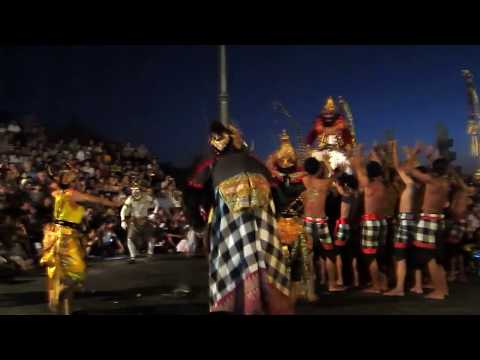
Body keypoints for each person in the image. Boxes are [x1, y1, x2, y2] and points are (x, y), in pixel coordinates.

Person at [185, 121, 292, 314]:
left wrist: (199, 225)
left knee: (231, 266)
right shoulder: (257, 163)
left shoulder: (211, 164)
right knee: (267, 266)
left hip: (229, 229)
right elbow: (280, 196)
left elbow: (191, 195)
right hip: (264, 228)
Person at [40, 164, 119, 315]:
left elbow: (56, 184)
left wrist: (56, 175)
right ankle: (56, 297)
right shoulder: (71, 193)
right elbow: (97, 200)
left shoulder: (58, 193)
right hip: (65, 236)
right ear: (70, 181)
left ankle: (66, 309)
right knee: (78, 272)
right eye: (74, 179)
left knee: (63, 274)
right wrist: (115, 204)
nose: (77, 181)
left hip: (56, 234)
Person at [405, 158, 451, 300]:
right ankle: (443, 289)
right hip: (438, 220)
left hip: (428, 221)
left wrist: (413, 154)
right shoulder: (446, 183)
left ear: (433, 169)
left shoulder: (431, 180)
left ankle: (438, 291)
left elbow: (409, 170)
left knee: (429, 256)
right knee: (437, 258)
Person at [350, 145, 389, 294]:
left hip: (371, 221)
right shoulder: (383, 184)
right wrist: (373, 155)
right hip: (382, 221)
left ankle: (376, 285)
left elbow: (358, 168)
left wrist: (357, 154)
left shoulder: (368, 184)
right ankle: (384, 283)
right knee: (381, 253)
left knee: (370, 254)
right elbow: (377, 168)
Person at [302, 157, 344, 292]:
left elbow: (305, 172)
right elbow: (335, 174)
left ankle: (310, 286)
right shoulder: (325, 183)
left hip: (307, 221)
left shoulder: (305, 180)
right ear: (319, 169)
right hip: (321, 222)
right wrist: (326, 162)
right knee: (329, 254)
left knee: (308, 253)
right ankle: (331, 284)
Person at [384, 140, 420, 296]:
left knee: (400, 256)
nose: (402, 171)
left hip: (404, 221)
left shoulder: (410, 183)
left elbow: (398, 167)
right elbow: (404, 167)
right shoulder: (415, 186)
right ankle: (417, 285)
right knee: (412, 255)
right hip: (411, 220)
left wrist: (393, 149)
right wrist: (412, 154)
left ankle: (399, 288)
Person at [120, 180, 155, 263]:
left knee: (150, 238)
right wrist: (123, 220)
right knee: (129, 239)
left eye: (136, 189)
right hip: (134, 220)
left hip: (145, 219)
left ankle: (150, 254)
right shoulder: (130, 199)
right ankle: (132, 257)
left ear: (139, 190)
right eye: (133, 189)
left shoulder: (146, 196)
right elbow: (123, 210)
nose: (134, 191)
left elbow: (156, 203)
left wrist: (154, 213)